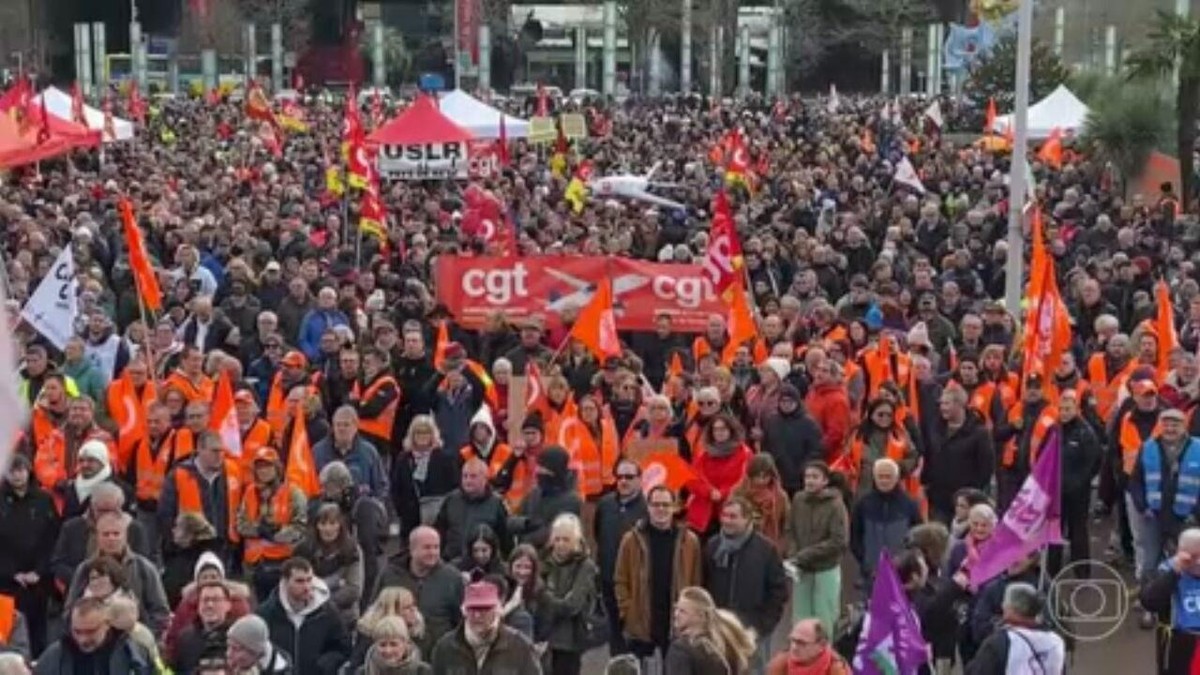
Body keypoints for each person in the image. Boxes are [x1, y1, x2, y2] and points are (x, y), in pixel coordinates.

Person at [614, 485, 703, 662]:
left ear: (674, 507)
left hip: (677, 622)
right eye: (656, 504)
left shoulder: (689, 541)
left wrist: (692, 615)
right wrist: (627, 610)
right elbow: (620, 579)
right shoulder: (631, 540)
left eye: (665, 504)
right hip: (641, 621)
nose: (660, 509)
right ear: (648, 507)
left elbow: (696, 581)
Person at [702, 497, 787, 672]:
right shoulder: (712, 546)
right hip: (718, 628)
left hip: (753, 630)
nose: (727, 521)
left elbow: (778, 591)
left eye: (733, 517)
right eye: (724, 515)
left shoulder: (766, 550)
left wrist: (764, 625)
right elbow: (703, 585)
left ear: (747, 519)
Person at [64, 510, 171, 634]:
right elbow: (69, 611)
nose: (111, 538)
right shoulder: (84, 569)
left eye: (116, 534)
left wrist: (142, 637)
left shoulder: (144, 568)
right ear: (97, 536)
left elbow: (161, 612)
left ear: (125, 536)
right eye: (106, 534)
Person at [0, 453, 58, 656]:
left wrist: (40, 571)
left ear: (29, 471)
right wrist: (11, 573)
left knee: (38, 631)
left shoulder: (44, 500)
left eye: (20, 470)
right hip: (6, 582)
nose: (16, 476)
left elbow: (52, 539)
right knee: (10, 630)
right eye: (11, 471)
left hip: (38, 582)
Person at [372, 526, 465, 648]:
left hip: (439, 655)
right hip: (395, 653)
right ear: (412, 549)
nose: (432, 552)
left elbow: (461, 622)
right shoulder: (390, 575)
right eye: (427, 547)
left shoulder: (452, 578)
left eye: (436, 547)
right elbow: (374, 614)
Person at [257, 557, 351, 675]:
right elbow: (256, 650)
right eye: (299, 581)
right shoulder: (266, 613)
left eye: (309, 580)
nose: (307, 587)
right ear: (285, 581)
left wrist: (325, 664)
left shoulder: (327, 612)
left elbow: (343, 646)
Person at [237, 447, 308, 601]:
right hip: (253, 566)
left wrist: (276, 534)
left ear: (277, 468)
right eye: (259, 467)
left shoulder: (293, 493)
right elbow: (240, 524)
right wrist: (259, 530)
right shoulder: (249, 492)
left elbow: (301, 528)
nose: (263, 471)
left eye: (267, 466)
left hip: (281, 564)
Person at [592, 459, 647, 655]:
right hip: (609, 578)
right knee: (614, 631)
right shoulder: (605, 504)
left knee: (636, 634)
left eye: (629, 477)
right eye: (620, 477)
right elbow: (598, 533)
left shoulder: (647, 508)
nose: (623, 481)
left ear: (640, 480)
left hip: (635, 583)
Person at [787, 461, 848, 637]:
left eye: (815, 477)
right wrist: (792, 553)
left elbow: (839, 541)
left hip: (825, 569)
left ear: (825, 481)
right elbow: (790, 530)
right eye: (807, 476)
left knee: (825, 619)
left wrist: (805, 555)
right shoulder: (798, 499)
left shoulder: (835, 505)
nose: (810, 481)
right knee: (800, 618)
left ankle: (825, 658)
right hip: (802, 569)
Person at [428, 581, 542, 674]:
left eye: (484, 609)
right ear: (464, 611)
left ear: (496, 611)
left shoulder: (520, 647)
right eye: (472, 609)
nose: (477, 615)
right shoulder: (445, 648)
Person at [34, 596, 154, 675]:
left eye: (91, 631)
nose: (83, 639)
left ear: (107, 624)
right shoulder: (53, 657)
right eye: (77, 631)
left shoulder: (132, 653)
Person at [540, 514, 598, 675]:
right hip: (544, 636)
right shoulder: (545, 562)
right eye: (557, 539)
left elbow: (572, 605)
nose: (560, 544)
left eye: (566, 539)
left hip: (570, 641)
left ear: (575, 541)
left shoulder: (585, 566)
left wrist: (545, 597)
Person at [965, 582, 1065, 675]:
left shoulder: (1000, 642)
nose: (1002, 605)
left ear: (1012, 608)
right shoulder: (1056, 641)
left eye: (1005, 602)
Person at [850, 458, 923, 583]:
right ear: (874, 477)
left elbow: (918, 538)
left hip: (902, 574)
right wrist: (865, 561)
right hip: (871, 573)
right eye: (880, 476)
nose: (884, 480)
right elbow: (855, 536)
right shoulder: (863, 504)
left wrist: (907, 563)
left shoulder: (909, 505)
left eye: (888, 476)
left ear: (896, 478)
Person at [293, 503, 364, 628]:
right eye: (323, 523)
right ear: (316, 526)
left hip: (344, 617)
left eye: (332, 523)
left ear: (340, 525)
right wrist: (337, 582)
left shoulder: (352, 550)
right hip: (308, 616)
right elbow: (296, 584)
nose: (328, 529)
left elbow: (353, 589)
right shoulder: (303, 549)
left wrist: (321, 600)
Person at [1142, 527, 1200, 674]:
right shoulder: (1165, 570)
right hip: (1182, 643)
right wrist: (1176, 571)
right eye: (1195, 556)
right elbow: (1149, 601)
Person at [433, 458, 510, 564]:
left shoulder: (496, 503)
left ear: (485, 478)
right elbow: (439, 531)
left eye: (473, 476)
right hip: (451, 562)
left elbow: (505, 538)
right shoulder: (451, 500)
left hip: (484, 564)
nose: (468, 480)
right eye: (465, 476)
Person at [666, 586, 757, 675]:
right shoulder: (724, 648)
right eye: (676, 609)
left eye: (682, 611)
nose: (676, 614)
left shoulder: (681, 650)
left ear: (700, 616)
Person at [511, 446, 582, 548]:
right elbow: (512, 520)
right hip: (528, 556)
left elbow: (554, 532)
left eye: (543, 469)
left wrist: (526, 539)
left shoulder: (571, 500)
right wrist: (527, 523)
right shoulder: (534, 494)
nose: (538, 472)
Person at [353, 587, 429, 671]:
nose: (414, 610)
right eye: (407, 607)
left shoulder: (420, 637)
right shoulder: (368, 641)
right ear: (393, 609)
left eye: (413, 605)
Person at [171, 580, 238, 675]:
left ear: (228, 605)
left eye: (216, 600)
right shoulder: (185, 638)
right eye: (205, 600)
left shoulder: (238, 638)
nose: (210, 605)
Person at [766, 618, 850, 675]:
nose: (794, 647)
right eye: (792, 641)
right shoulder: (780, 665)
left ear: (821, 645)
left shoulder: (836, 668)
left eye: (802, 643)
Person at [354, 615, 431, 675]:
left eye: (394, 644)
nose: (388, 650)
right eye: (382, 645)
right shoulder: (363, 672)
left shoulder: (422, 671)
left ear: (405, 644)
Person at [225, 614, 293, 675]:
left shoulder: (280, 670)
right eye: (228, 646)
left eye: (236, 649)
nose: (228, 653)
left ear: (254, 652)